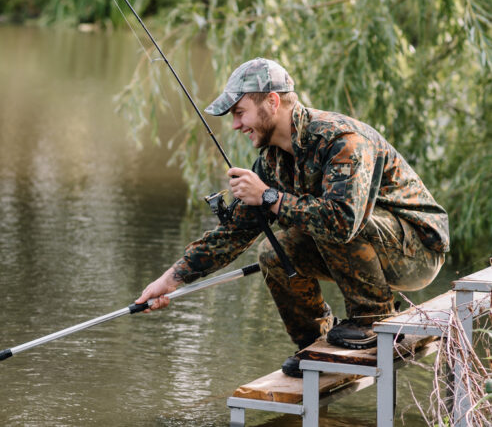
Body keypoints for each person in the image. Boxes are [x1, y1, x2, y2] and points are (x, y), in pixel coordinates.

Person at [135, 58, 450, 377]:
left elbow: (342, 222)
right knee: (273, 252)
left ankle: (373, 319)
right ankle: (316, 344)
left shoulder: (341, 140)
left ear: (271, 102)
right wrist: (170, 280)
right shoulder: (271, 161)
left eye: (240, 113)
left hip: (418, 252)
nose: (235, 125)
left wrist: (268, 196)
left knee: (333, 218)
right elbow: (234, 233)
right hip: (372, 247)